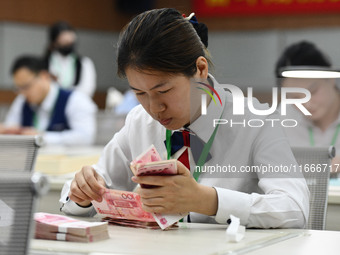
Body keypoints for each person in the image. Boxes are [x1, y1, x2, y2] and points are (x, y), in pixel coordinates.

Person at [60, 8, 309, 228]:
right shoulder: (139, 122)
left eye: (163, 91)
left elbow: (295, 208)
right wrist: (82, 194)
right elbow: (87, 191)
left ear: (200, 69)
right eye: (140, 94)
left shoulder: (257, 122)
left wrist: (205, 199)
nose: (154, 108)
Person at [275, 41, 340, 173]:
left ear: (331, 78)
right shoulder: (281, 118)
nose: (307, 104)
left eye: (313, 91)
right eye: (295, 97)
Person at [3, 55, 97, 146]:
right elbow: (11, 126)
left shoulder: (75, 99)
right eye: (18, 88)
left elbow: (85, 138)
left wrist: (42, 137)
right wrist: (8, 131)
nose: (23, 93)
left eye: (26, 86)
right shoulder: (22, 100)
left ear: (44, 76)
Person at [43, 21, 96, 97]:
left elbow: (88, 90)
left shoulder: (84, 63)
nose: (68, 45)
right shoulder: (44, 64)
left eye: (71, 42)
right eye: (64, 42)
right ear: (54, 43)